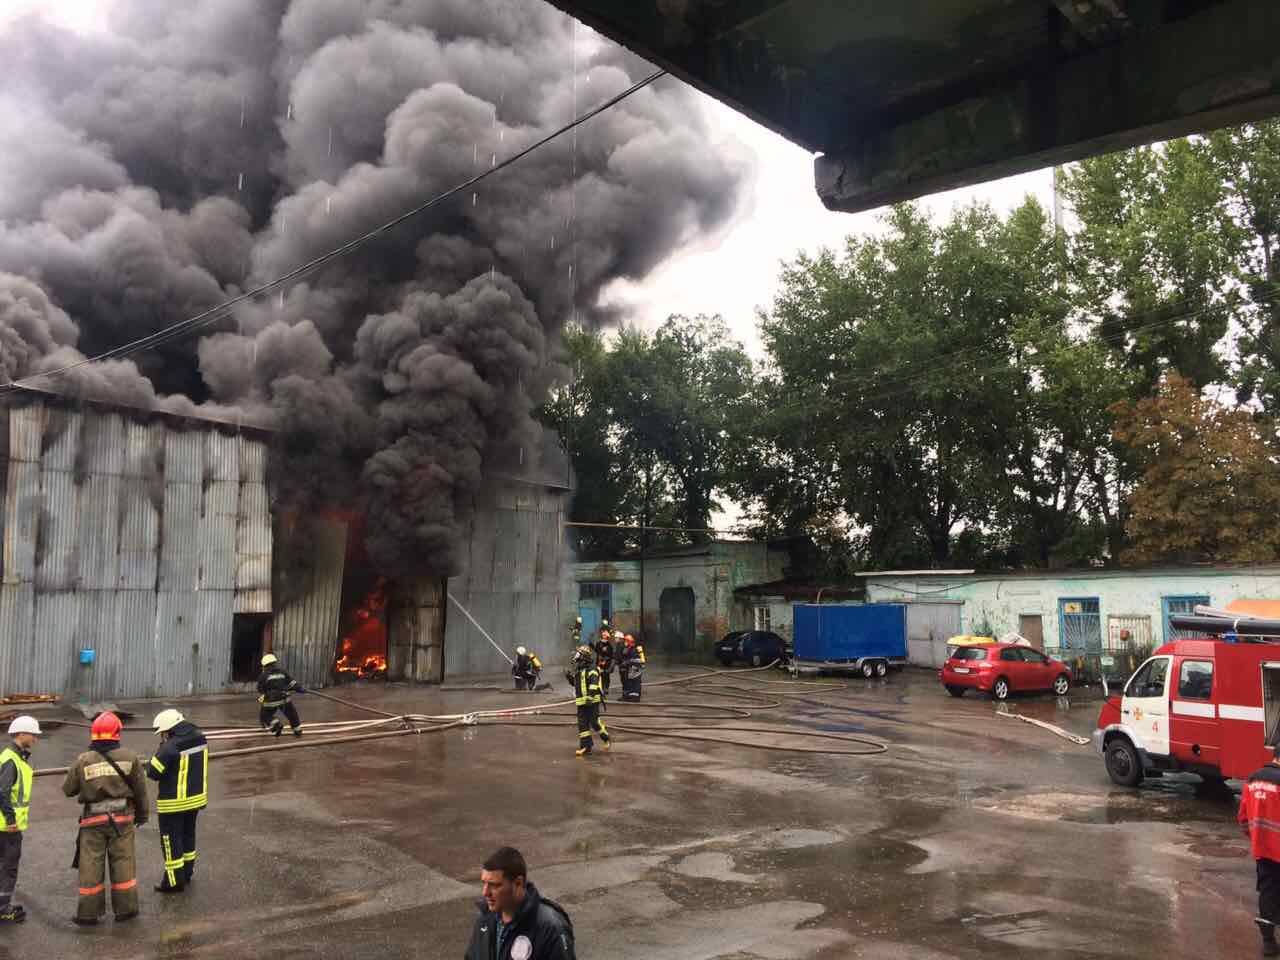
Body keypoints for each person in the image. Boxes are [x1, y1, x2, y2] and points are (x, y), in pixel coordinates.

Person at [62, 711, 150, 925]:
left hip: (93, 822)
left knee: (91, 865)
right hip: (122, 820)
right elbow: (140, 791)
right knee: (123, 863)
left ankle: (88, 914)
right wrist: (142, 815)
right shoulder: (130, 758)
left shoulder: (83, 760)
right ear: (117, 733)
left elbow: (68, 790)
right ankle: (126, 910)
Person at [466, 846, 575, 960]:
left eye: (494, 885)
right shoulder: (484, 920)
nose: (485, 892)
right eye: (484, 883)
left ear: (518, 883)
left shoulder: (550, 928)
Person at [146, 709, 208, 893]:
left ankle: (173, 882)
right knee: (188, 837)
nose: (162, 735)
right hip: (195, 799)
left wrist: (161, 747)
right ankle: (187, 874)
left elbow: (153, 773)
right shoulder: (200, 737)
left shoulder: (170, 746)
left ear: (169, 729)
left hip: (173, 804)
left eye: (162, 732)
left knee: (171, 842)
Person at [1241, 745, 1280, 956]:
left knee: (1267, 890)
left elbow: (1243, 818)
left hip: (1262, 849)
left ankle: (1268, 942)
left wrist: (1257, 838)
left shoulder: (1253, 778)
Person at [0, 716, 40, 924]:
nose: (35, 738)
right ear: (21, 734)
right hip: (8, 827)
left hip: (5, 825)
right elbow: (2, 791)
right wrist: (10, 818)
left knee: (4, 866)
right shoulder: (11, 760)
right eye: (33, 734)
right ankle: (3, 909)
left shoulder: (14, 757)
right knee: (8, 867)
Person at [566, 645, 609, 758]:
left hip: (592, 701)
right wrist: (569, 677)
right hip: (581, 702)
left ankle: (605, 737)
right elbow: (576, 684)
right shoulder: (578, 669)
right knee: (582, 725)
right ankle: (586, 746)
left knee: (594, 723)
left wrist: (590, 697)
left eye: (578, 654)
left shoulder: (592, 669)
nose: (576, 656)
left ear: (583, 656)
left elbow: (594, 684)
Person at [257, 652, 304, 737]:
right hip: (284, 698)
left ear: (264, 665)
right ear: (275, 663)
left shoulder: (263, 676)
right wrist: (300, 688)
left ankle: (276, 724)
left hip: (271, 700)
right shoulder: (283, 672)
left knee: (265, 715)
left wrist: (264, 696)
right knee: (292, 714)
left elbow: (260, 689)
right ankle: (297, 730)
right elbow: (292, 683)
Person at [619, 634, 646, 701]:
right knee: (628, 682)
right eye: (625, 640)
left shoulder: (637, 648)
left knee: (635, 683)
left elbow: (640, 660)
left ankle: (635, 697)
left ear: (632, 640)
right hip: (629, 669)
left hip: (636, 669)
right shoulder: (628, 648)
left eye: (627, 640)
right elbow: (623, 656)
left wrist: (628, 661)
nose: (626, 642)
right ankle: (628, 696)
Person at [593, 631, 616, 698]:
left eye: (606, 636)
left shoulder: (609, 645)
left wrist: (606, 660)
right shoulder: (598, 643)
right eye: (603, 635)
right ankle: (600, 688)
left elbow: (611, 655)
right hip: (599, 663)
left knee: (606, 676)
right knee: (600, 676)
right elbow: (597, 651)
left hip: (607, 663)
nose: (604, 637)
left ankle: (606, 688)